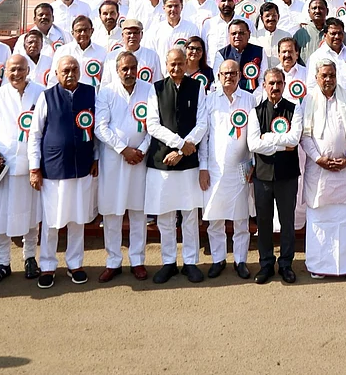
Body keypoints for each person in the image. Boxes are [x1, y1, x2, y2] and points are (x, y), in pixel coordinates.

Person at [28, 55, 99, 289]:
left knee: (77, 219)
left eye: (74, 69)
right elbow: (35, 134)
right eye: (65, 70)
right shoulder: (46, 96)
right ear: (56, 74)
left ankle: (75, 264)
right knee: (51, 220)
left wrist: (95, 158)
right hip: (53, 169)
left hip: (82, 167)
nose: (70, 74)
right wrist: (34, 168)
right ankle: (48, 265)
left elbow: (95, 130)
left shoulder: (90, 93)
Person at [145, 48, 210, 285]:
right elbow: (152, 125)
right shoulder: (156, 88)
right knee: (165, 215)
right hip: (162, 161)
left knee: (190, 214)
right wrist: (180, 144)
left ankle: (190, 262)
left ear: (186, 63)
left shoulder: (197, 87)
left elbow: (203, 122)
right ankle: (169, 262)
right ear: (166, 64)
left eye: (180, 63)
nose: (176, 68)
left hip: (188, 162)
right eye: (172, 64)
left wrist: (182, 152)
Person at [300, 59, 346, 279]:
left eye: (331, 75)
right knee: (320, 221)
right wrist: (318, 158)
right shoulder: (308, 100)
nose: (328, 80)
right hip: (319, 172)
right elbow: (304, 135)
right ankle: (320, 266)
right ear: (316, 77)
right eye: (324, 76)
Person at [0, 54, 44, 286]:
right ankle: (3, 262)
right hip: (3, 168)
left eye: (20, 69)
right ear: (5, 71)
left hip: (31, 166)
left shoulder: (40, 92)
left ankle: (30, 258)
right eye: (11, 70)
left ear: (28, 70)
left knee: (31, 214)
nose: (16, 74)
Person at [94, 52, 154, 282]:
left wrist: (142, 149)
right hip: (113, 160)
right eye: (124, 69)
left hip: (139, 159)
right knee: (112, 213)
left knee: (138, 212)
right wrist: (123, 149)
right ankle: (113, 261)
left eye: (132, 68)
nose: (129, 73)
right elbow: (100, 127)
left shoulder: (148, 89)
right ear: (117, 70)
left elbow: (154, 123)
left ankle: (137, 260)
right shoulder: (107, 91)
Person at [248, 66, 304, 284]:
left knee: (287, 220)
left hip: (287, 175)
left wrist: (267, 139)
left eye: (279, 83)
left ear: (284, 85)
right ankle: (266, 264)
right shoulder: (256, 111)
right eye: (271, 83)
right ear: (264, 85)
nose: (275, 87)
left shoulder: (294, 108)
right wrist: (280, 144)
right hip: (262, 175)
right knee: (263, 221)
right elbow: (253, 143)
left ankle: (286, 264)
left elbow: (294, 139)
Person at [202, 59, 257, 279]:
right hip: (214, 168)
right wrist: (203, 167)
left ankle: (241, 260)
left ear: (240, 75)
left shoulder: (250, 99)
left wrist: (253, 162)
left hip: (241, 168)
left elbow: (254, 134)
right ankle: (218, 259)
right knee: (215, 218)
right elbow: (204, 137)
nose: (229, 76)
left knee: (241, 218)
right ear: (218, 75)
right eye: (225, 73)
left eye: (233, 72)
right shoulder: (209, 100)